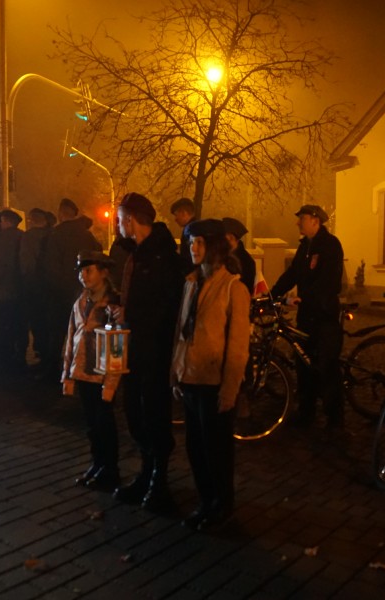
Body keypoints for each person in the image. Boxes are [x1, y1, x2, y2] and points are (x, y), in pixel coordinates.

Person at [171, 219, 250, 531]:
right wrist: (176, 373)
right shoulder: (191, 283)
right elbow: (182, 333)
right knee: (195, 448)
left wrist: (229, 390)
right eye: (191, 242)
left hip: (213, 382)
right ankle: (206, 502)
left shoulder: (234, 288)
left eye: (200, 242)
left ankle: (222, 506)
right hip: (190, 378)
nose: (194, 248)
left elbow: (238, 346)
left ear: (215, 246)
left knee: (217, 450)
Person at [109, 192, 184, 512]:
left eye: (119, 219)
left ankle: (159, 482)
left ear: (131, 219)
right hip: (132, 347)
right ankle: (145, 473)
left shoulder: (164, 258)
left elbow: (167, 308)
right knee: (134, 412)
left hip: (155, 350)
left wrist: (131, 314)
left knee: (154, 414)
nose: (117, 225)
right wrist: (118, 308)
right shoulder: (134, 254)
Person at [270, 204, 345, 429]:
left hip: (324, 315)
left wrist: (306, 297)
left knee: (327, 366)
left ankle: (334, 418)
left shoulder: (330, 245)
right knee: (303, 363)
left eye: (301, 218)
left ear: (315, 221)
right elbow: (293, 274)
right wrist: (273, 293)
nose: (297, 223)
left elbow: (329, 281)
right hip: (306, 316)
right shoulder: (305, 246)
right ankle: (306, 411)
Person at [61, 250, 122, 491]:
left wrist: (111, 383)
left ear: (103, 272)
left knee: (104, 424)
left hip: (102, 375)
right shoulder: (81, 301)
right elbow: (71, 338)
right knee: (92, 425)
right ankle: (97, 464)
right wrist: (67, 375)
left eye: (89, 271)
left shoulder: (113, 304)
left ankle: (110, 469)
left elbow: (117, 346)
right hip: (83, 372)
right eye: (81, 271)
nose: (83, 276)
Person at [41, 198, 102, 378]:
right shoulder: (87, 236)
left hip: (60, 293)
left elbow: (51, 267)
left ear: (61, 214)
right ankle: (81, 369)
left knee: (57, 332)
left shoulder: (55, 234)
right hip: (83, 291)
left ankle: (52, 369)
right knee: (82, 332)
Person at [0, 209, 26, 370]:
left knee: (3, 325)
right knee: (20, 325)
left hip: (4, 290)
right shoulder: (23, 236)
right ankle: (20, 355)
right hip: (21, 289)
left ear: (6, 221)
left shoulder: (2, 239)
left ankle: (4, 358)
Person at [19, 208, 51, 365]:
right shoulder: (51, 234)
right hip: (50, 284)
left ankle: (40, 351)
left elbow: (26, 262)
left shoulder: (28, 237)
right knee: (48, 319)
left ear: (31, 220)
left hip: (33, 285)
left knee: (36, 320)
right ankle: (50, 352)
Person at [222, 217, 256, 296]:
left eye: (230, 239)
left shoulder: (247, 262)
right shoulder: (220, 256)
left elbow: (246, 290)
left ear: (235, 239)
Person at [170, 197, 197, 273]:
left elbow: (187, 259)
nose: (175, 219)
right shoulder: (193, 228)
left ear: (184, 213)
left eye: (176, 215)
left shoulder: (190, 231)